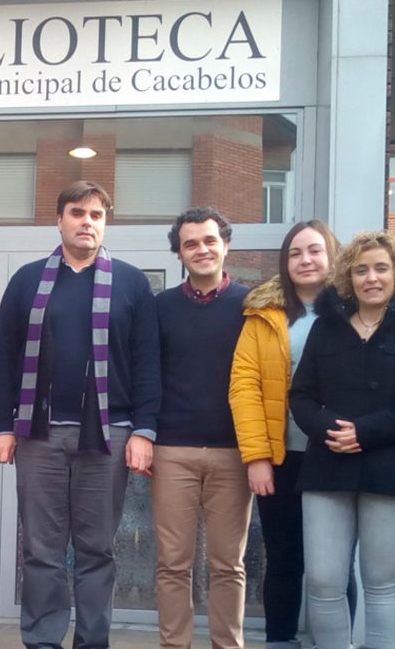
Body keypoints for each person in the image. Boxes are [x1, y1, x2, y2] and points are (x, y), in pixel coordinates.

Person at [0, 180, 161, 649]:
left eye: (97, 215)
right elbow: (2, 358)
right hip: (38, 436)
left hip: (108, 436)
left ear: (105, 222)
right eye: (78, 213)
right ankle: (42, 641)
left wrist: (144, 430)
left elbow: (148, 364)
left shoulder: (130, 282)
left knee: (96, 551)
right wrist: (2, 426)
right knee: (41, 551)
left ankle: (92, 641)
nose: (88, 222)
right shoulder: (27, 280)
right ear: (59, 219)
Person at [289, 230, 395, 649]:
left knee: (381, 581)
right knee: (323, 580)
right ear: (348, 277)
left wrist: (366, 432)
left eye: (381, 268)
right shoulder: (326, 327)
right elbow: (301, 395)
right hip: (327, 465)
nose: (371, 278)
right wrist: (328, 429)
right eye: (361, 270)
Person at [229, 220, 340, 649]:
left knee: (333, 564)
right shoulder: (263, 316)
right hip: (281, 457)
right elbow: (244, 386)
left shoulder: (355, 312)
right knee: (283, 560)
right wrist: (257, 456)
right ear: (284, 262)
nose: (305, 260)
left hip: (336, 456)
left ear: (332, 256)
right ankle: (280, 641)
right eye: (295, 253)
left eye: (314, 251)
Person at [151, 207, 250, 649]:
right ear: (179, 254)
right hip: (172, 452)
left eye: (210, 240)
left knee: (229, 565)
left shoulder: (252, 305)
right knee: (173, 564)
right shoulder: (160, 308)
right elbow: (147, 376)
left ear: (225, 245)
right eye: (191, 243)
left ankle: (227, 644)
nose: (202, 249)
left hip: (235, 452)